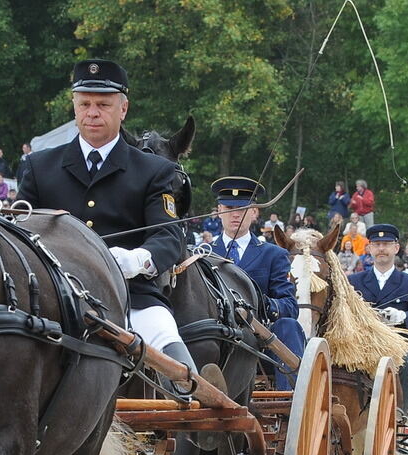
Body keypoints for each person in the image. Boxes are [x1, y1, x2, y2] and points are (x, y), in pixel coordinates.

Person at [16, 58, 195, 388]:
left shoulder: (154, 170)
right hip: (53, 300)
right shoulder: (39, 167)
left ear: (123, 109)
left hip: (133, 299)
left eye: (103, 104)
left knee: (182, 373)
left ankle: (195, 418)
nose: (92, 112)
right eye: (84, 104)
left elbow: (169, 237)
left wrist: (134, 259)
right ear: (74, 107)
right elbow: (18, 232)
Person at [210, 177, 303, 390]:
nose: (235, 214)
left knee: (288, 325)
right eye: (229, 207)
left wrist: (260, 304)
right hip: (213, 336)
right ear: (218, 210)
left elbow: (289, 306)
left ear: (254, 212)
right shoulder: (202, 254)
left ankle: (290, 402)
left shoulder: (274, 254)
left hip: (259, 340)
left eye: (242, 208)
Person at [347, 223, 408, 412]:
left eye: (386, 244)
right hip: (360, 347)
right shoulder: (353, 281)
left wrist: (401, 316)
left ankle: (400, 414)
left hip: (396, 347)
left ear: (396, 248)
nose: (381, 248)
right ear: (369, 248)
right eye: (376, 244)